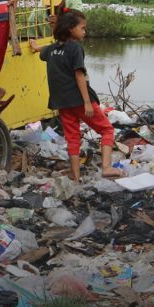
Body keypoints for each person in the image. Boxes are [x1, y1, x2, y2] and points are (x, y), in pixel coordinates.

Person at [29, 10, 121, 181]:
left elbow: (45, 50)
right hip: (79, 99)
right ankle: (107, 168)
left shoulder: (53, 49)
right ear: (71, 29)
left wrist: (35, 47)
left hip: (62, 102)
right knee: (107, 129)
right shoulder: (75, 48)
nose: (85, 32)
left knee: (72, 137)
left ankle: (75, 174)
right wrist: (87, 102)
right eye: (82, 28)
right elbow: (79, 75)